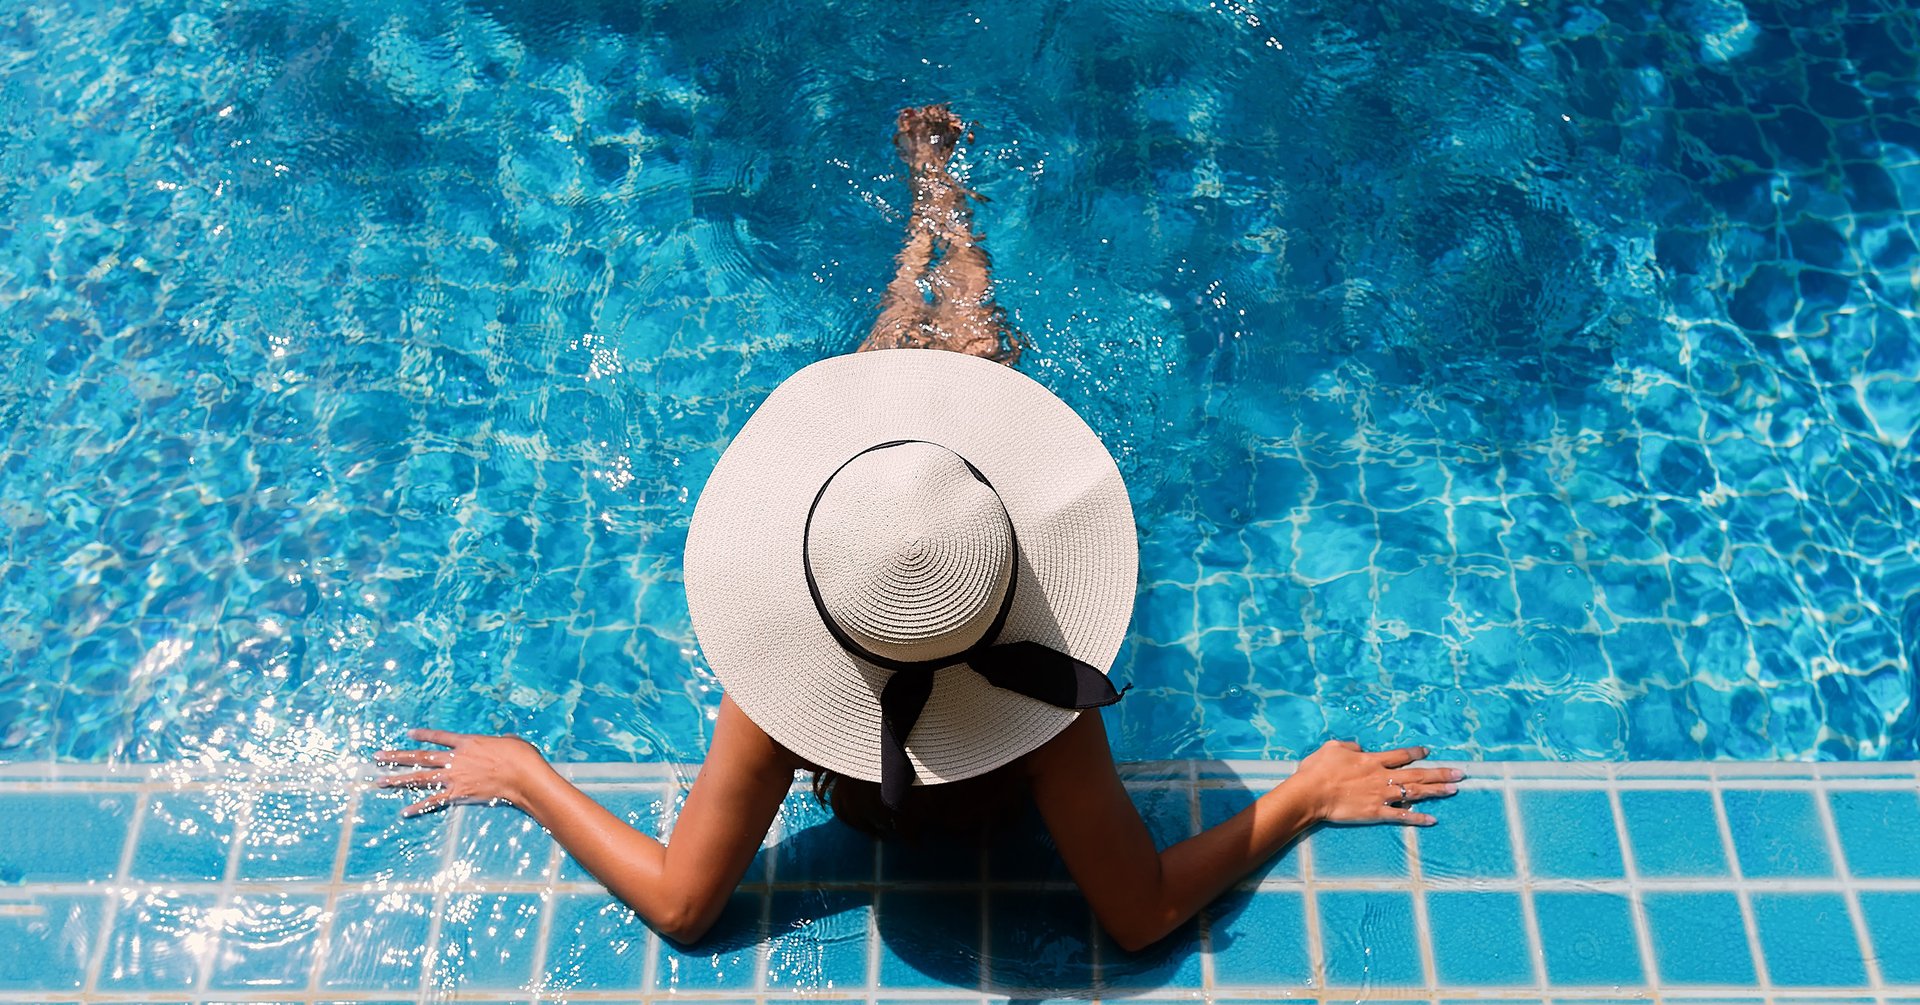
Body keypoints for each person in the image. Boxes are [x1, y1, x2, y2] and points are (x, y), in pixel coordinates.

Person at [375, 104, 1461, 952]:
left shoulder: (772, 707)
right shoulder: (1047, 695)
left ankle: (929, 220)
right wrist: (1305, 794)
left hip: (882, 615)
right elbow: (1140, 916)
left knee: (895, 427)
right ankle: (947, 211)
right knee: (955, 406)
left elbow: (682, 903)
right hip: (973, 619)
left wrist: (526, 773)